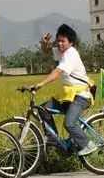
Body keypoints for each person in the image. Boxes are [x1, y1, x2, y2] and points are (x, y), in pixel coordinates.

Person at [29, 23, 97, 155]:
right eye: (58, 40)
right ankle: (54, 140)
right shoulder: (61, 52)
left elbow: (58, 71)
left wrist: (41, 84)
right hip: (67, 95)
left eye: (63, 41)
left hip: (81, 95)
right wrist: (44, 43)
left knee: (69, 123)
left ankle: (88, 145)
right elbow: (46, 51)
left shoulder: (71, 54)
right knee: (43, 110)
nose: (59, 44)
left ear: (71, 42)